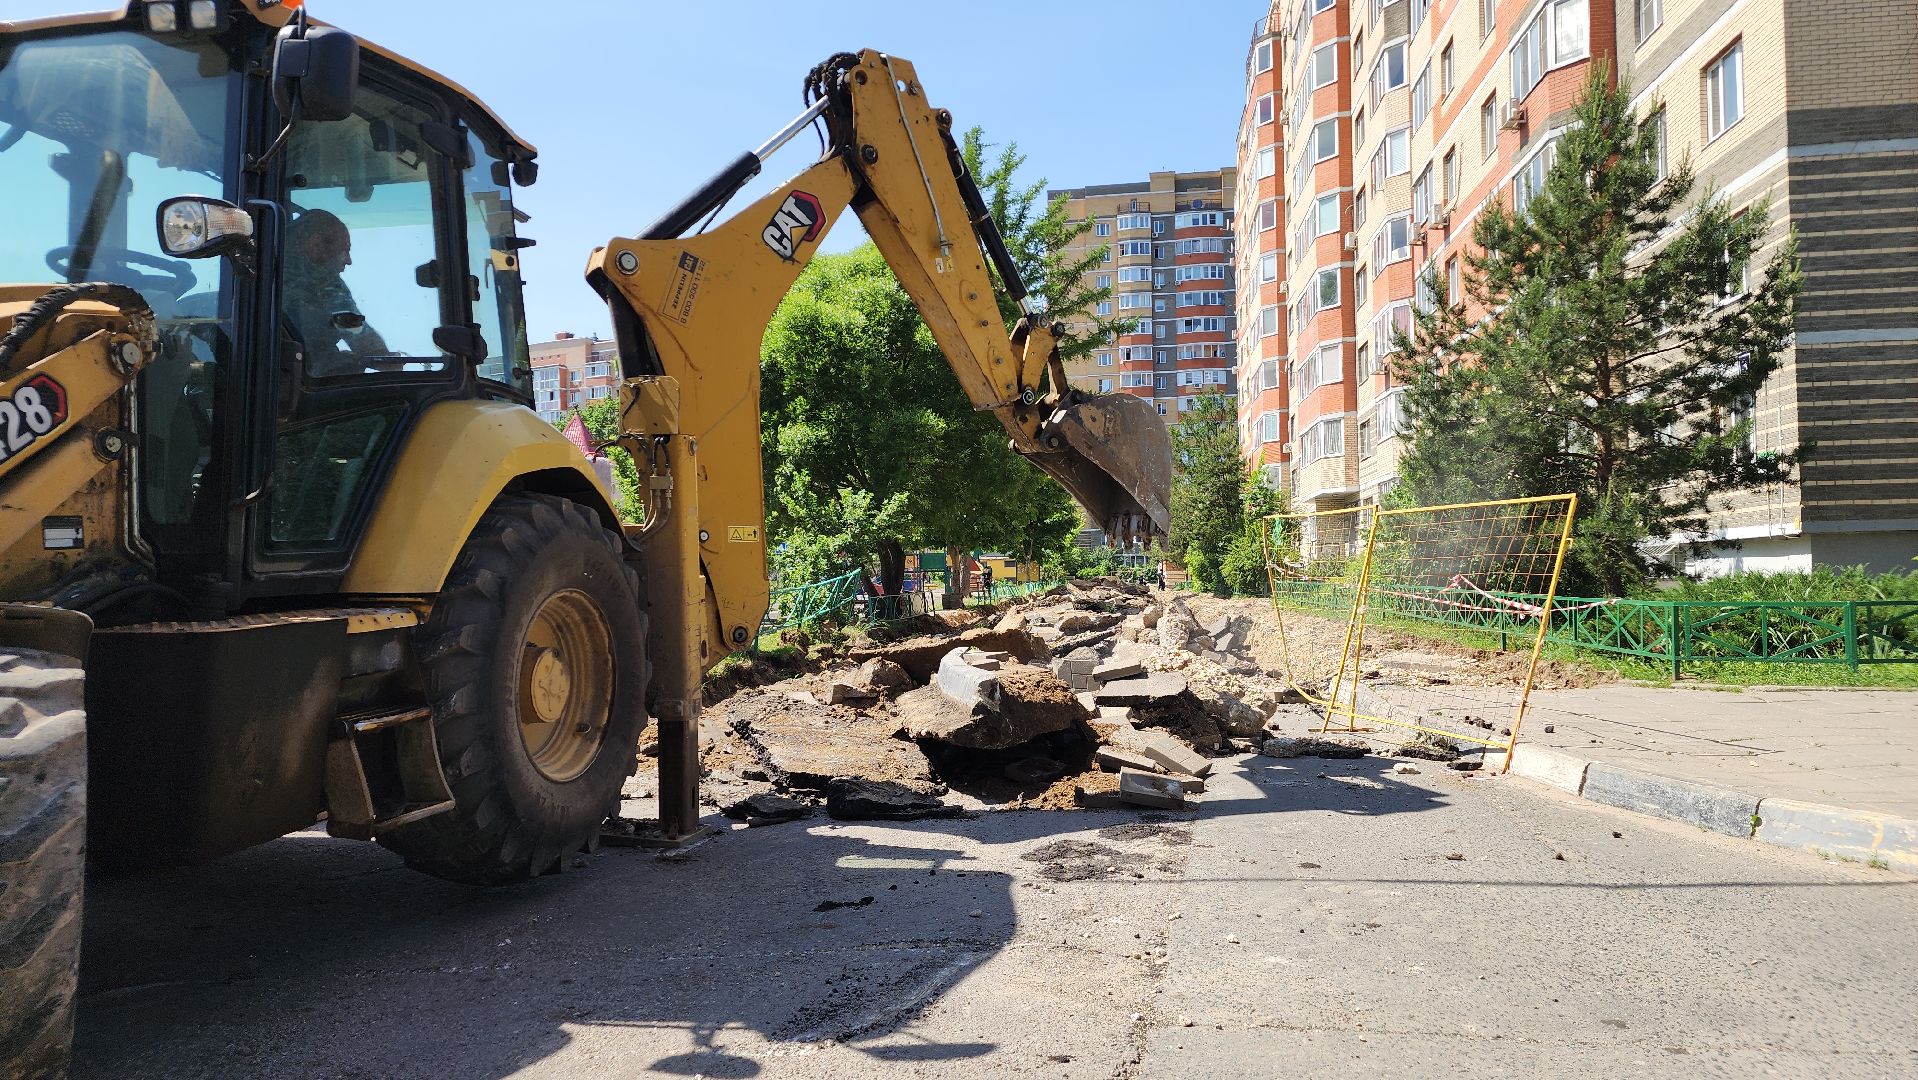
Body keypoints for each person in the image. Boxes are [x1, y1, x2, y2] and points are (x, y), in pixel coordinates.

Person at [284, 209, 388, 374]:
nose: (349, 260)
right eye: (345, 250)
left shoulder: (266, 268)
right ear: (316, 244)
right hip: (306, 386)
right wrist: (387, 360)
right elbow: (361, 338)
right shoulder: (324, 281)